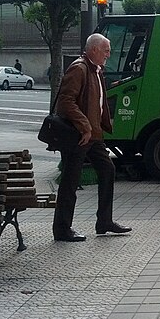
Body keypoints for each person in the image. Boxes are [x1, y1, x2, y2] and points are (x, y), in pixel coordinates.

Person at [52, 33, 132, 242]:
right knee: (70, 181)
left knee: (108, 170)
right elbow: (66, 102)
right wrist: (85, 125)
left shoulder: (95, 70)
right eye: (106, 49)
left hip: (93, 135)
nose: (109, 53)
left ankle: (104, 221)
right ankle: (62, 229)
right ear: (94, 49)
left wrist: (101, 124)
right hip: (79, 136)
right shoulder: (79, 69)